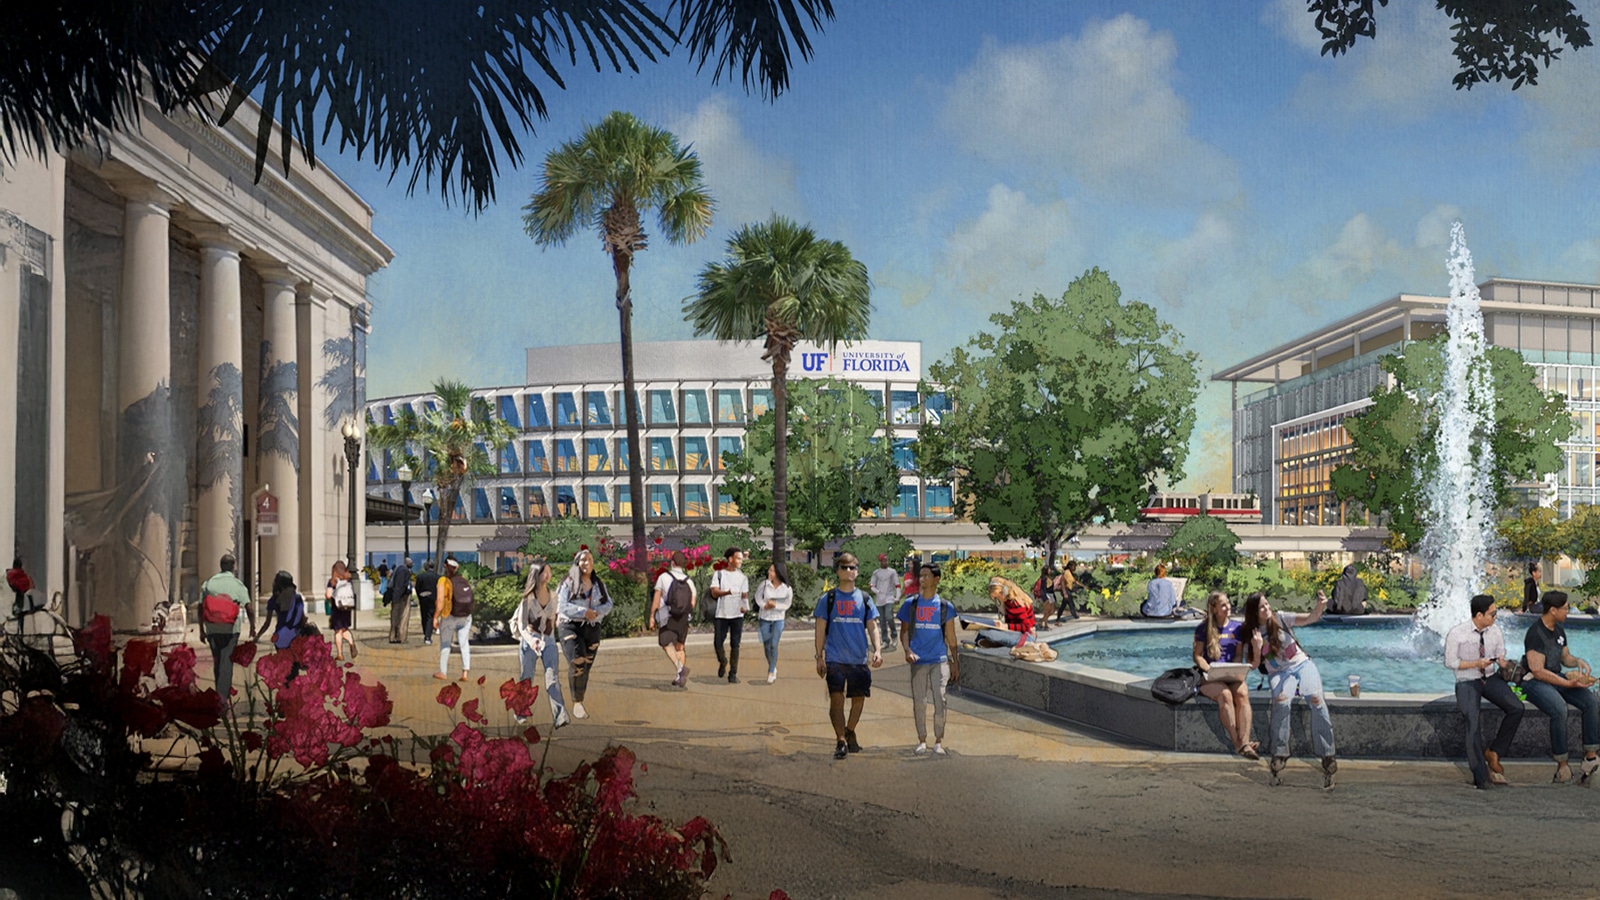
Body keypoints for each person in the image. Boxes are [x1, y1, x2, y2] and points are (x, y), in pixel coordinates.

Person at [1242, 590, 1338, 788]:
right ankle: (1280, 752)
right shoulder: (1251, 634)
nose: (1267, 608)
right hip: (1279, 674)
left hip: (1302, 665)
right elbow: (1253, 665)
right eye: (1262, 607)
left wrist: (1320, 605)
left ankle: (1327, 754)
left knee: (1316, 699)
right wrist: (1258, 646)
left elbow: (1311, 618)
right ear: (1254, 612)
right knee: (1282, 700)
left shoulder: (1281, 618)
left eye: (1267, 604)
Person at [1443, 594, 1524, 789]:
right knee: (1472, 721)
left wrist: (1506, 666)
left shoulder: (1494, 631)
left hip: (1489, 678)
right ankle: (1480, 777)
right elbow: (1449, 662)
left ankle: (1494, 751)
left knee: (1517, 708)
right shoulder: (1457, 633)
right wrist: (1475, 663)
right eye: (1492, 613)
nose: (1495, 617)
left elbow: (1500, 654)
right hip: (1467, 680)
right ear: (1479, 615)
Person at [1520, 590, 1600, 783]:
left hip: (1556, 676)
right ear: (1553, 610)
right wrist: (1566, 683)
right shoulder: (1535, 633)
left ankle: (1590, 756)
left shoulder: (1559, 630)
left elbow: (1565, 657)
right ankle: (1562, 764)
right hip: (1534, 681)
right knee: (1559, 708)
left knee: (1590, 700)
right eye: (1565, 608)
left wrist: (1578, 661)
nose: (1568, 611)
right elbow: (1538, 670)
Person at [814, 552, 883, 760]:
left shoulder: (864, 598)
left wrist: (878, 650)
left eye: (852, 567)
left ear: (857, 571)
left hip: (858, 659)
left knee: (858, 701)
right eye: (844, 567)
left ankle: (850, 730)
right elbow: (820, 628)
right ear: (837, 571)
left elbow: (872, 627)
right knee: (836, 700)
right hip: (835, 659)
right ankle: (841, 740)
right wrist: (819, 656)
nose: (848, 571)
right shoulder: (828, 599)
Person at [897, 563, 959, 755]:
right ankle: (922, 740)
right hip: (918, 661)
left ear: (936, 579)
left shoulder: (945, 607)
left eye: (926, 576)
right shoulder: (911, 604)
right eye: (920, 576)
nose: (922, 579)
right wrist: (907, 650)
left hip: (939, 659)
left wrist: (955, 661)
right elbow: (904, 632)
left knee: (940, 700)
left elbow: (951, 636)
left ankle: (938, 740)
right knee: (920, 702)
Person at [1193, 591, 1256, 758]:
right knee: (1225, 694)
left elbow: (1237, 655)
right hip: (1209, 675)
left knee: (1242, 693)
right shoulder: (1203, 628)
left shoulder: (1237, 628)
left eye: (1228, 603)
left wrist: (1234, 669)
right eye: (1223, 605)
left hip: (1229, 672)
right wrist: (1209, 669)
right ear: (1214, 609)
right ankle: (1239, 743)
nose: (1228, 607)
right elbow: (1197, 656)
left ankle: (1245, 740)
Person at [556, 548, 611, 719]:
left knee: (586, 666)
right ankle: (576, 702)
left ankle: (579, 700)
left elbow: (608, 603)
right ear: (577, 563)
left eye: (590, 560)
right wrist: (583, 611)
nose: (587, 563)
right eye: (583, 560)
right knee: (577, 661)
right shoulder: (567, 582)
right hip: (570, 626)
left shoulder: (598, 584)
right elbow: (562, 606)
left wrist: (595, 612)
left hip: (592, 627)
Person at [513, 558, 568, 729]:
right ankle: (521, 711)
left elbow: (555, 617)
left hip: (549, 641)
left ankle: (560, 716)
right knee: (526, 679)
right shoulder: (528, 599)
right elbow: (522, 626)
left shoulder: (554, 596)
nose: (548, 574)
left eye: (550, 571)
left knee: (552, 679)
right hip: (530, 641)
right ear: (537, 574)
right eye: (545, 571)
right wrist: (532, 641)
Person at [199, 552, 255, 711]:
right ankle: (222, 702)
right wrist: (252, 626)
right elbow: (249, 608)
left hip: (212, 628)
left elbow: (200, 606)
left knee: (218, 662)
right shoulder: (238, 585)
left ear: (220, 566)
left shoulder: (209, 583)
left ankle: (219, 696)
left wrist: (201, 630)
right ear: (233, 567)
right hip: (231, 630)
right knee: (226, 663)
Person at [650, 550, 696, 688]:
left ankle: (680, 669)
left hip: (667, 617)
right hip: (683, 618)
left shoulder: (663, 577)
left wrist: (652, 616)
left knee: (664, 643)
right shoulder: (690, 582)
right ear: (683, 565)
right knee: (680, 647)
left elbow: (657, 599)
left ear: (672, 563)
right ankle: (679, 677)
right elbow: (692, 603)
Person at [709, 547, 750, 682]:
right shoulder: (719, 574)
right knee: (718, 642)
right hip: (722, 613)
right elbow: (714, 592)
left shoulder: (743, 577)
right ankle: (723, 660)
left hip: (737, 615)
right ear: (730, 559)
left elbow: (745, 595)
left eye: (741, 559)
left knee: (735, 644)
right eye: (738, 558)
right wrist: (726, 592)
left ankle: (733, 673)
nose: (740, 561)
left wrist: (745, 607)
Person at [432, 556, 474, 681]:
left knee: (445, 643)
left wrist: (435, 617)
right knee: (464, 643)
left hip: (450, 616)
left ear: (445, 566)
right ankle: (465, 673)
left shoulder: (443, 581)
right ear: (456, 568)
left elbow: (440, 602)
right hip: (465, 616)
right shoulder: (462, 579)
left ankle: (443, 672)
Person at [755, 563, 793, 683]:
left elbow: (787, 604)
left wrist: (775, 605)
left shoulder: (787, 588)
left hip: (778, 619)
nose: (769, 572)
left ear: (778, 573)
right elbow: (757, 598)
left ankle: (771, 671)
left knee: (774, 645)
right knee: (766, 646)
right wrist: (764, 605)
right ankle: (772, 664)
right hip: (765, 618)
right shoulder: (764, 585)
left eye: (771, 571)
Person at [254, 570, 307, 652]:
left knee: (283, 662)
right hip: (295, 635)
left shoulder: (273, 600)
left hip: (280, 636)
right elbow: (302, 618)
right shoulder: (297, 598)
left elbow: (267, 623)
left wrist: (258, 636)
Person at [327, 559, 357, 661]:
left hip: (337, 608)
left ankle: (340, 654)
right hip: (347, 608)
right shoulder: (348, 580)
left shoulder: (333, 581)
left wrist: (330, 598)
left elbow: (328, 595)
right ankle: (351, 643)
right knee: (344, 629)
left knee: (337, 632)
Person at [869, 554, 900, 650]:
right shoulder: (876, 573)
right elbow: (872, 586)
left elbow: (897, 585)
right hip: (879, 600)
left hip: (889, 598)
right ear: (880, 562)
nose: (885, 562)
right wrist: (877, 591)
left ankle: (894, 636)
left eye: (887, 560)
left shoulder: (892, 572)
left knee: (889, 617)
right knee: (882, 621)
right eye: (883, 561)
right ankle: (885, 640)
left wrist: (897, 597)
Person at [387, 556, 413, 643]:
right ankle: (401, 636)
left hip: (396, 596)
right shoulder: (404, 571)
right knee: (403, 617)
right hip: (402, 597)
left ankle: (393, 636)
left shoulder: (398, 569)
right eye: (411, 563)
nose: (412, 564)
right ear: (407, 563)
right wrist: (399, 597)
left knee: (395, 617)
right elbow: (400, 585)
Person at [415, 560, 438, 645]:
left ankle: (425, 632)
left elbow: (417, 588)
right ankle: (427, 636)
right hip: (433, 598)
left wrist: (419, 596)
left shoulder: (420, 576)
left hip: (423, 598)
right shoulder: (437, 577)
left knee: (424, 615)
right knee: (430, 617)